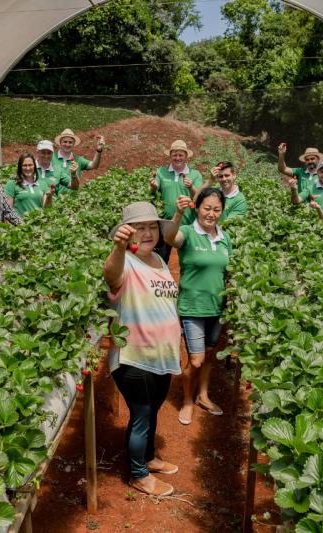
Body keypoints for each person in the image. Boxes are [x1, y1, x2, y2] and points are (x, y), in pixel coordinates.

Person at [103, 202, 182, 497]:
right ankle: (138, 474)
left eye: (152, 227)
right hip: (134, 356)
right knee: (141, 413)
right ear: (128, 233)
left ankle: (149, 457)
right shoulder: (124, 262)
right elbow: (110, 275)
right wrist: (118, 248)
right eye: (140, 228)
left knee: (154, 409)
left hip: (162, 354)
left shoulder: (159, 261)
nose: (147, 233)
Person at [163, 189, 232, 426]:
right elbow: (170, 239)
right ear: (197, 207)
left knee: (209, 355)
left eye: (216, 209)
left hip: (217, 307)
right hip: (193, 307)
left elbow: (228, 270)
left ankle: (203, 396)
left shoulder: (225, 238)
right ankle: (188, 401)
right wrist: (178, 214)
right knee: (196, 360)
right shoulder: (188, 233)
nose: (211, 214)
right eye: (207, 208)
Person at [150, 140, 204, 262]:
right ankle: (161, 280)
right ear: (170, 156)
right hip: (165, 224)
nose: (177, 158)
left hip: (188, 225)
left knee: (189, 261)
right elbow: (154, 187)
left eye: (181, 155)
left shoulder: (195, 174)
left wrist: (191, 187)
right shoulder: (161, 172)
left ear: (186, 157)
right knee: (161, 259)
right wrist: (153, 186)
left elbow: (200, 197)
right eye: (175, 155)